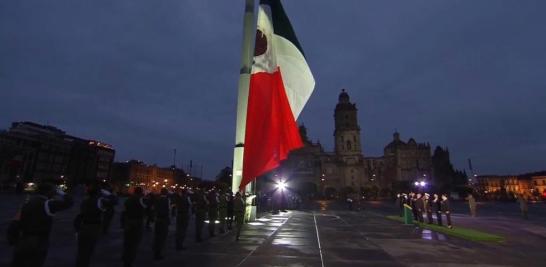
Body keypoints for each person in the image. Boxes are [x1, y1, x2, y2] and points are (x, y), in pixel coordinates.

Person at [11, 183, 73, 267]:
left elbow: (16, 221)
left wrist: (14, 239)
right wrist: (60, 192)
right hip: (39, 241)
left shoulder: (28, 203)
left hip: (24, 238)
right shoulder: (48, 204)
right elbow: (69, 202)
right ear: (48, 192)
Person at [75, 183, 115, 267]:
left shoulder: (85, 201)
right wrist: (108, 193)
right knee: (88, 250)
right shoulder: (99, 201)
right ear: (97, 193)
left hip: (83, 226)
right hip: (93, 227)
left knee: (81, 250)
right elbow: (114, 201)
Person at [121, 187, 149, 267]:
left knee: (127, 241)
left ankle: (125, 256)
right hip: (137, 222)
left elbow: (124, 211)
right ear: (140, 193)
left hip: (128, 221)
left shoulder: (128, 199)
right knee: (134, 242)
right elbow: (145, 207)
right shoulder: (139, 199)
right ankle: (129, 261)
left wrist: (123, 223)